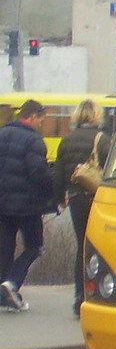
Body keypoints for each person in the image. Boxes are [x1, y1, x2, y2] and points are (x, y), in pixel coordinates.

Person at [52, 99, 112, 316]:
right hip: (98, 199)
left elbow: (58, 173)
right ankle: (97, 293)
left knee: (82, 247)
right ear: (97, 116)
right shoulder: (103, 140)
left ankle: (79, 296)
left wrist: (59, 197)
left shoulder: (66, 140)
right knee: (99, 248)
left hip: (76, 198)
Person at [0, 100, 54, 312]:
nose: (42, 123)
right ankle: (12, 283)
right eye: (41, 119)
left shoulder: (2, 134)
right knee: (34, 246)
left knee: (5, 249)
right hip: (26, 206)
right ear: (32, 116)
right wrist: (54, 190)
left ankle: (3, 294)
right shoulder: (34, 141)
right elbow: (38, 174)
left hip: (2, 204)